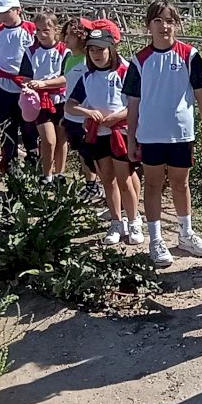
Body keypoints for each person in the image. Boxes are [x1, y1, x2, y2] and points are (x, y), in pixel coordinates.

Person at [124, 0, 202, 267]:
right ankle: (155, 238)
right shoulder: (139, 60)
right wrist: (131, 139)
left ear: (177, 24)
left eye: (170, 21)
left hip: (181, 134)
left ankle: (185, 234)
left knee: (180, 184)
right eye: (158, 21)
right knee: (153, 185)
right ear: (148, 25)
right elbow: (133, 104)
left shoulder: (189, 55)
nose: (164, 26)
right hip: (150, 135)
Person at [67, 26, 142, 246]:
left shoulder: (125, 72)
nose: (97, 54)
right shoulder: (87, 77)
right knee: (107, 179)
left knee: (125, 179)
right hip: (98, 133)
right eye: (92, 50)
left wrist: (118, 116)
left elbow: (138, 103)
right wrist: (87, 112)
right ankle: (116, 222)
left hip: (121, 133)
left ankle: (134, 221)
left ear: (111, 49)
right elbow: (70, 105)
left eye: (101, 49)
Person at [0, 0, 38, 172]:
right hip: (3, 84)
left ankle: (33, 161)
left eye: (5, 12)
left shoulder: (31, 29)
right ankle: (9, 162)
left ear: (17, 10)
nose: (1, 16)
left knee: (29, 126)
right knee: (7, 125)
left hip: (26, 85)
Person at [20, 11, 70, 183]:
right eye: (38, 30)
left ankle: (59, 174)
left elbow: (66, 77)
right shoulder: (31, 51)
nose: (41, 34)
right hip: (40, 101)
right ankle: (46, 174)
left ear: (55, 29)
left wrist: (44, 83)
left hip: (60, 99)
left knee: (61, 138)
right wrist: (29, 86)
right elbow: (26, 77)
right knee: (49, 140)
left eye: (46, 30)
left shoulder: (64, 51)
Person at [61, 17, 103, 201]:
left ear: (82, 37)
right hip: (72, 114)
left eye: (72, 34)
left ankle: (101, 186)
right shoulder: (69, 58)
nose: (66, 38)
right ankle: (91, 185)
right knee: (82, 154)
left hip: (85, 116)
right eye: (66, 34)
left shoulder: (88, 61)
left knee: (93, 156)